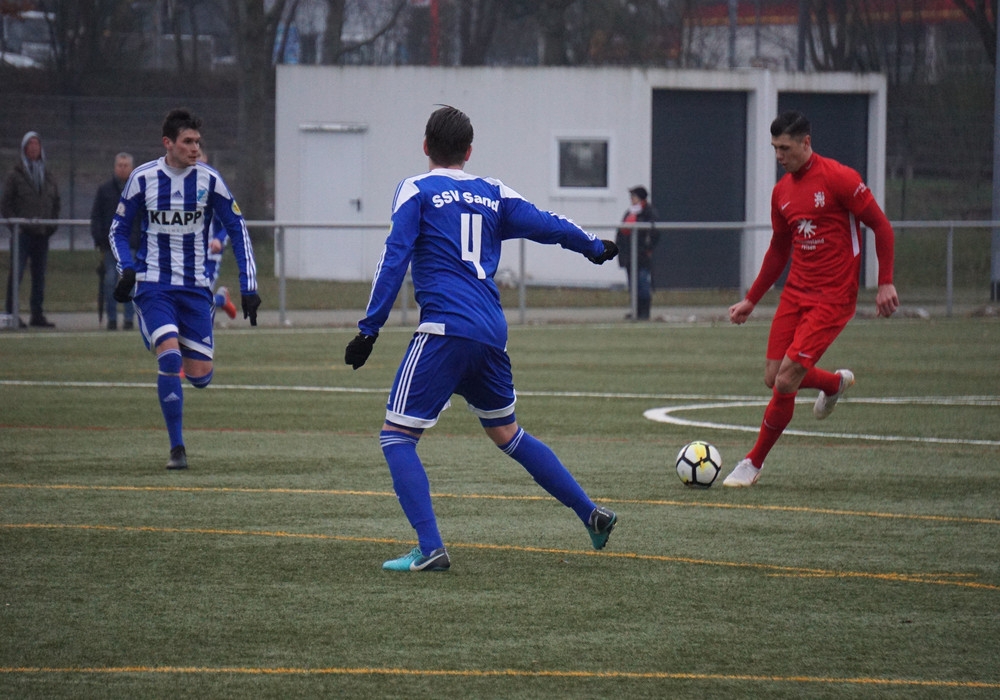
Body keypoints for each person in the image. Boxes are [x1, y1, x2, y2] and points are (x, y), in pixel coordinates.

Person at [344, 105, 620, 572]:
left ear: (426, 147)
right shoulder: (493, 193)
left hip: (445, 330)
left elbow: (393, 258)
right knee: (508, 433)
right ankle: (589, 513)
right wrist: (592, 246)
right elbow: (547, 222)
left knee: (396, 437)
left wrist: (369, 328)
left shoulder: (416, 189)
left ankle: (430, 548)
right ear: (469, 151)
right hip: (491, 332)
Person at [722, 110, 899, 487]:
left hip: (833, 297)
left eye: (784, 148)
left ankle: (753, 463)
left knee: (786, 380)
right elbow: (778, 250)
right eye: (774, 149)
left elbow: (881, 226)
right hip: (796, 293)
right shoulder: (781, 192)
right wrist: (752, 300)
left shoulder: (839, 178)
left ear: (806, 142)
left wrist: (885, 282)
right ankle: (833, 384)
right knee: (773, 377)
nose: (779, 156)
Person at [109, 108, 261, 470]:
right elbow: (117, 230)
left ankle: (209, 308)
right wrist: (127, 270)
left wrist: (249, 286)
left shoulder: (210, 180)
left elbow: (237, 229)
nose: (195, 148)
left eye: (198, 142)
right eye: (188, 141)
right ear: (169, 143)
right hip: (153, 286)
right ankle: (177, 449)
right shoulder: (142, 179)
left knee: (201, 377)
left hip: (195, 289)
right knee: (170, 356)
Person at [3, 131, 61, 328]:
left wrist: (51, 225)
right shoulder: (15, 175)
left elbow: (56, 202)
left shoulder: (48, 174)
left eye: (37, 144)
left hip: (42, 234)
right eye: (30, 145)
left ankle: (37, 314)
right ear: (24, 149)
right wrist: (15, 225)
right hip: (22, 234)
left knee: (39, 275)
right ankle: (12, 313)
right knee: (16, 274)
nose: (34, 148)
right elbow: (6, 202)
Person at [91, 152, 139, 330]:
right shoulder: (104, 190)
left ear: (132, 168)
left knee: (129, 280)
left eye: (126, 165)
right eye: (120, 165)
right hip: (110, 245)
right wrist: (99, 238)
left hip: (131, 244)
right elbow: (96, 216)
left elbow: (143, 218)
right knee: (110, 280)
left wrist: (139, 240)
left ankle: (128, 318)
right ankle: (111, 318)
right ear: (115, 167)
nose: (123, 168)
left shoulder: (138, 191)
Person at [615, 185, 659, 320]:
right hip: (629, 255)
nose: (631, 199)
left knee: (643, 284)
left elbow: (654, 232)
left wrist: (648, 247)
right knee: (633, 285)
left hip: (642, 256)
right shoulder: (630, 213)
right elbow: (621, 232)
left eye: (634, 197)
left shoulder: (649, 212)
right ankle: (635, 311)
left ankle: (644, 312)